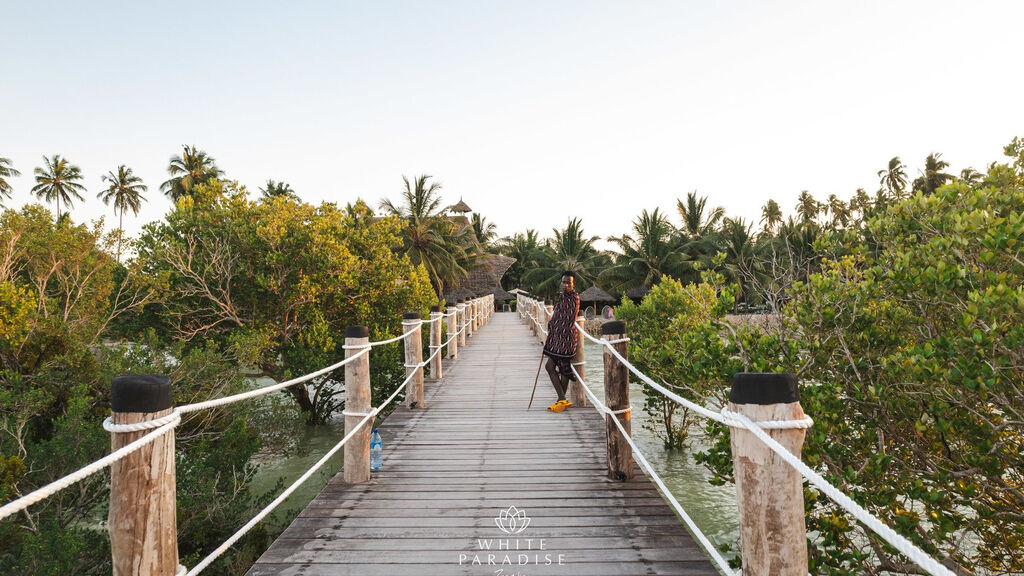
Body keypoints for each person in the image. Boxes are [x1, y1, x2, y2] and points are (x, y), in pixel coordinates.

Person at [543, 271, 580, 412]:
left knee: (553, 367)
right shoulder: (562, 297)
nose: (565, 285)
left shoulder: (574, 297)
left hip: (566, 338)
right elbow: (558, 316)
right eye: (564, 282)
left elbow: (568, 318)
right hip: (557, 337)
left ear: (573, 284)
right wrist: (552, 325)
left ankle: (561, 399)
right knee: (557, 368)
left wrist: (555, 325)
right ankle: (562, 400)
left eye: (568, 282)